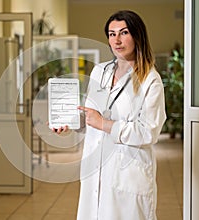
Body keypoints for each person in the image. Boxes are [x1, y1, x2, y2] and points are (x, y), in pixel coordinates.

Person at [53, 10, 166, 220]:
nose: (117, 40)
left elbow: (148, 132)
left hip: (127, 173)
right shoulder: (100, 71)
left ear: (137, 35)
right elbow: (91, 114)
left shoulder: (150, 79)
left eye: (124, 33)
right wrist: (69, 122)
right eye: (112, 34)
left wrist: (104, 123)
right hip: (95, 169)